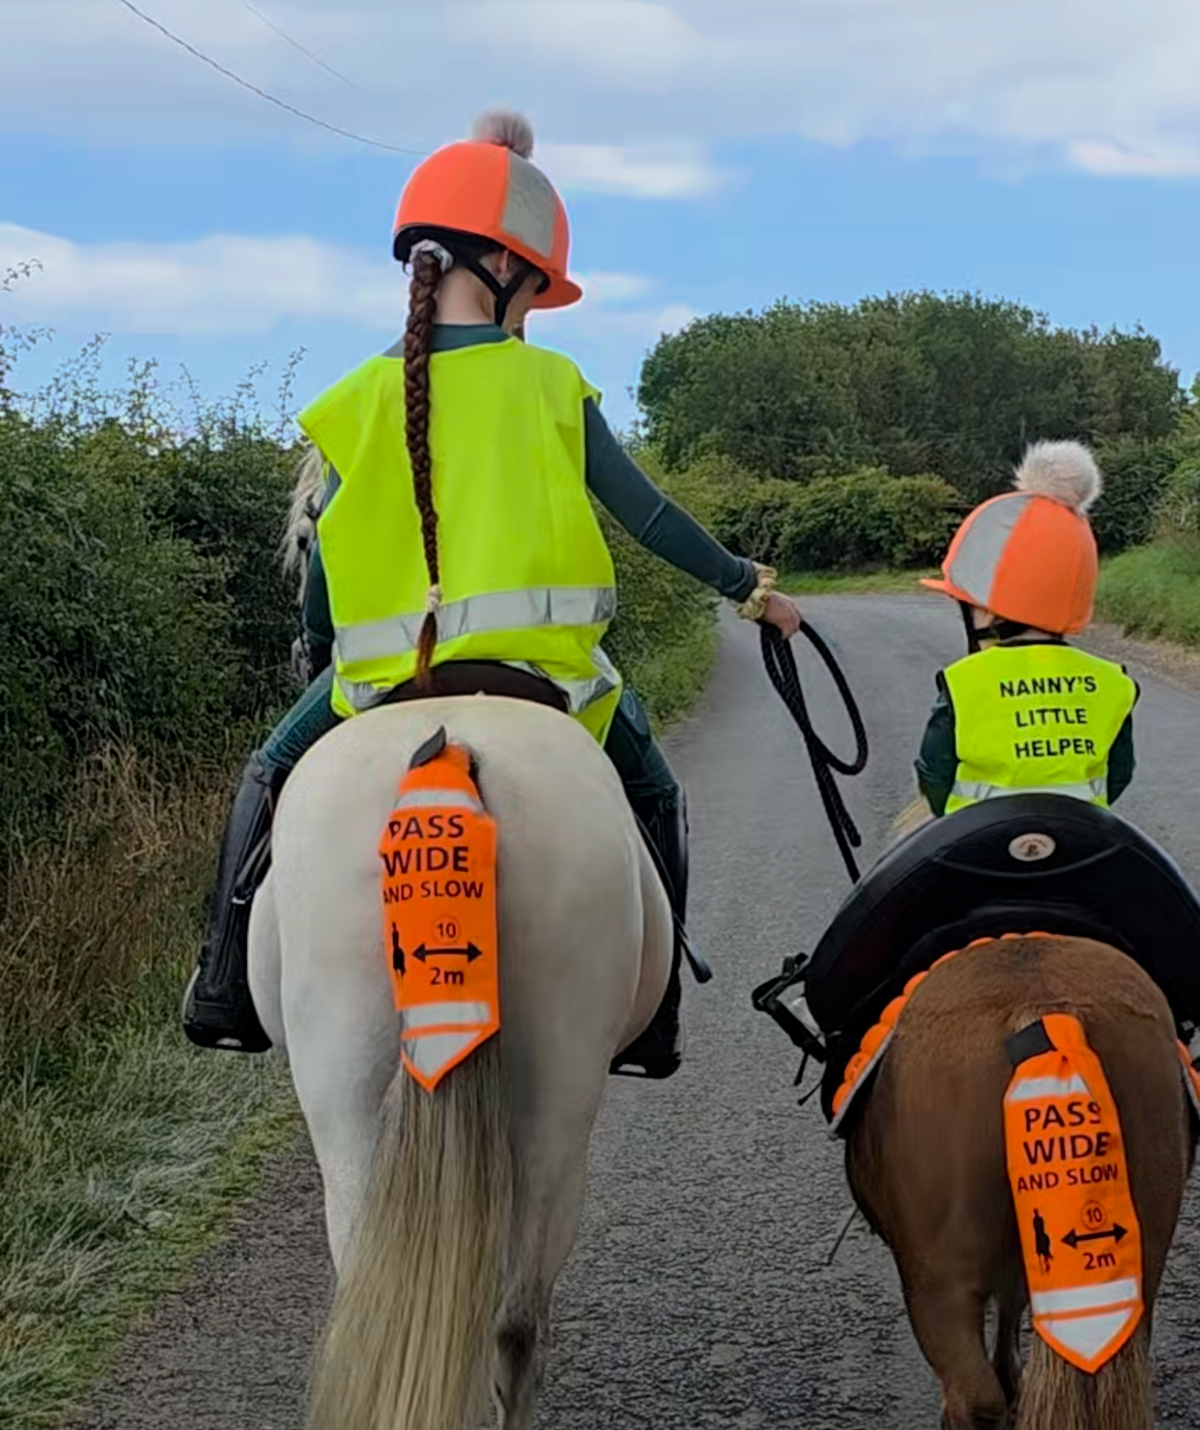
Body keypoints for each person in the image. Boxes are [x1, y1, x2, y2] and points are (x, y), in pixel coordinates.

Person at [182, 108, 800, 1079]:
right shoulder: (552, 386)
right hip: (555, 683)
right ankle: (657, 1012)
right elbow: (649, 515)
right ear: (509, 270)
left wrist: (318, 647)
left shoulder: (358, 399)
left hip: (381, 686)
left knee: (267, 772)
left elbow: (328, 560)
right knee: (654, 792)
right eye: (535, 288)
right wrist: (746, 588)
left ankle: (221, 982)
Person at [913, 441, 1137, 818]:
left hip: (975, 857)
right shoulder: (1112, 684)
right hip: (1083, 852)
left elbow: (934, 778)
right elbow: (1118, 776)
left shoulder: (962, 684)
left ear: (986, 607)